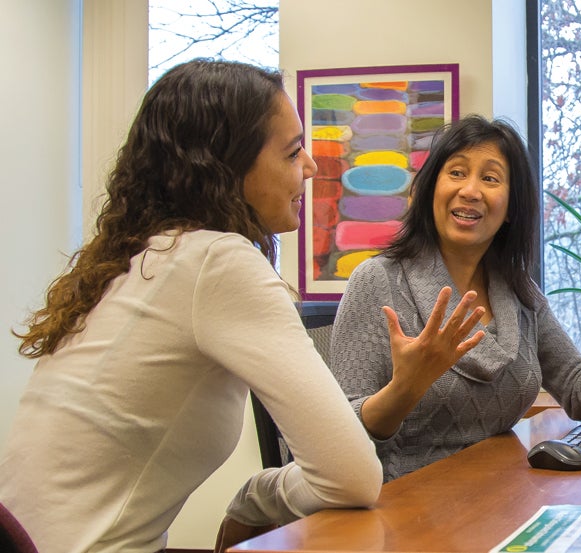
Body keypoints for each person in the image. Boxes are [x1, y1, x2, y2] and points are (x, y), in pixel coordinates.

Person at [0, 59, 484, 553]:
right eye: (294, 152)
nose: (312, 166)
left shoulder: (142, 257)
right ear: (228, 168)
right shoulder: (217, 261)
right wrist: (254, 497)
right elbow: (353, 476)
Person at [329, 114, 581, 482]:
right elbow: (339, 438)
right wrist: (405, 388)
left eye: (490, 178)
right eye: (456, 172)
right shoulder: (377, 281)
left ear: (512, 208)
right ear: (428, 189)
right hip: (404, 504)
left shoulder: (519, 292)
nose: (470, 190)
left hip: (500, 495)